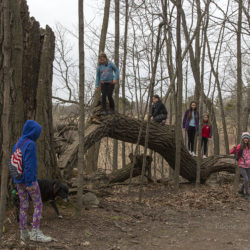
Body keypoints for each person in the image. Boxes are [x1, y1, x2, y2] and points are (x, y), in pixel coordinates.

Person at [12, 120, 52, 242]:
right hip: (29, 181)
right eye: (37, 132)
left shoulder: (18, 143)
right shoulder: (30, 144)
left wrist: (18, 180)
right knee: (38, 204)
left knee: (24, 205)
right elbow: (30, 165)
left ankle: (23, 232)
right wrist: (29, 183)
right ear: (33, 132)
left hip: (18, 180)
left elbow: (14, 162)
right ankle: (35, 232)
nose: (38, 135)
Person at [230, 132, 250, 199]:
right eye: (245, 138)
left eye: (247, 138)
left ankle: (241, 191)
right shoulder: (240, 146)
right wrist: (234, 148)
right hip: (242, 165)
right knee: (246, 179)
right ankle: (246, 194)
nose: (246, 139)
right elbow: (231, 152)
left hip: (248, 165)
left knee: (248, 179)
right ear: (243, 139)